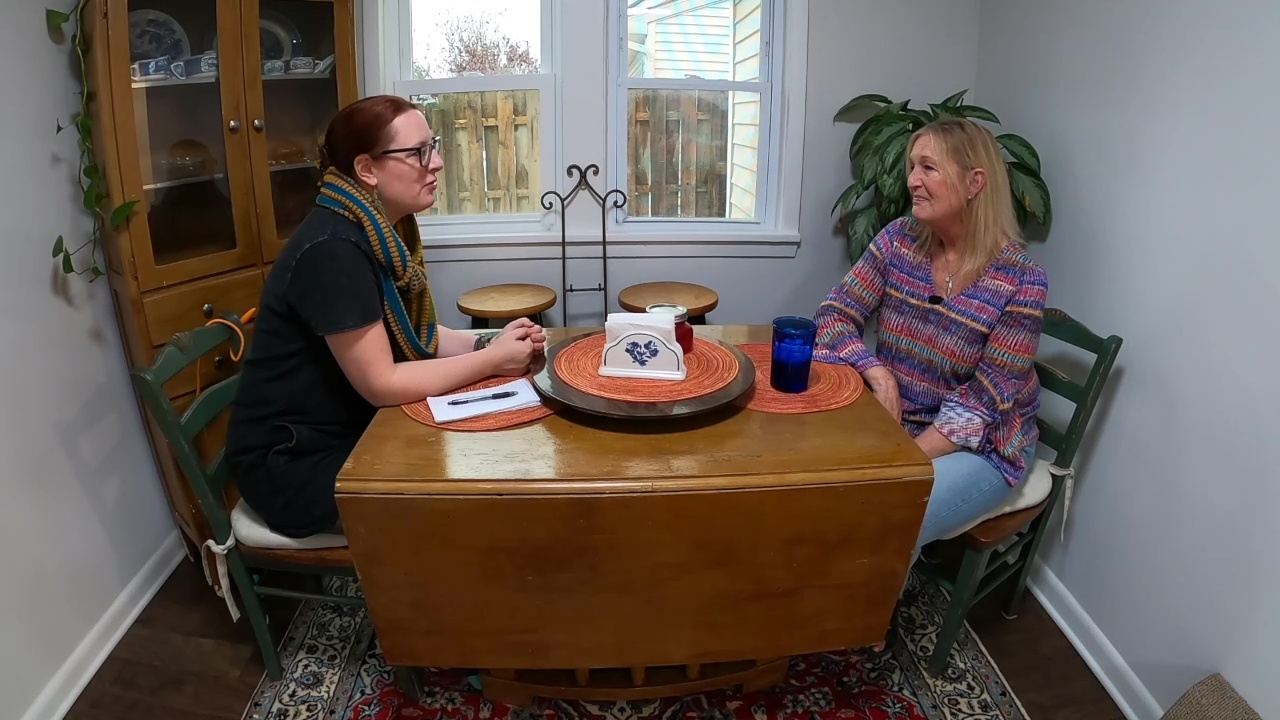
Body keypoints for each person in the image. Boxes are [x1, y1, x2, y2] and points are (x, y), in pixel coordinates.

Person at [225, 95, 545, 538]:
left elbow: (413, 334)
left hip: (347, 431)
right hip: (295, 465)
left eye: (432, 147)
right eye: (418, 153)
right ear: (367, 169)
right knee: (469, 511)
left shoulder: (375, 230)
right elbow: (382, 383)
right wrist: (492, 361)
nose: (437, 163)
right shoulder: (332, 251)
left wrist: (486, 342)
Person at [813, 117, 1048, 550]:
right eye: (912, 167)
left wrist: (897, 461)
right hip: (898, 420)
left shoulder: (1021, 280)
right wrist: (878, 373)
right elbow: (834, 315)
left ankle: (875, 594)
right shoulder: (898, 240)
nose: (911, 180)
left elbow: (983, 403)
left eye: (928, 167)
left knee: (886, 519)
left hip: (984, 445)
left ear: (975, 182)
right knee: (809, 483)